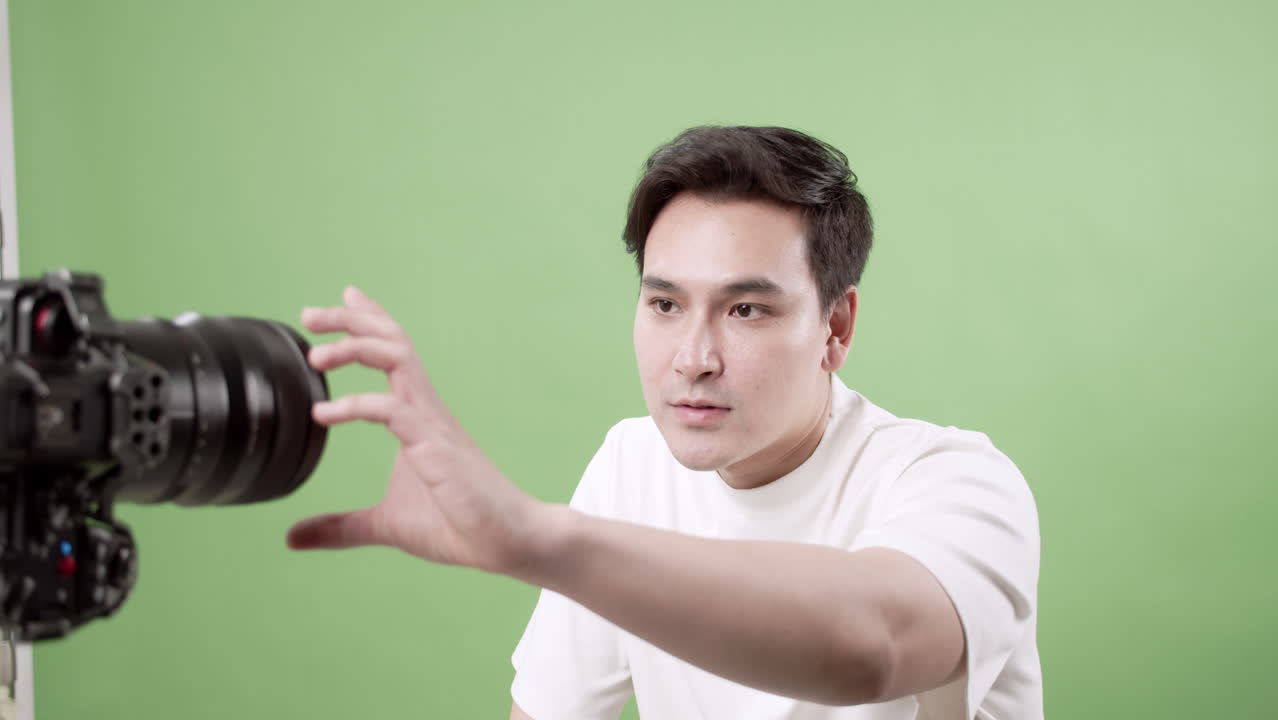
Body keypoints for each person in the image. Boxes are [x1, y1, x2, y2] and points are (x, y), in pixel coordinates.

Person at [288, 126, 1042, 719]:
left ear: (836, 327)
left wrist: (539, 539)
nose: (692, 358)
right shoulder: (631, 464)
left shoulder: (957, 482)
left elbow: (874, 646)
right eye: (665, 304)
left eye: (746, 309)